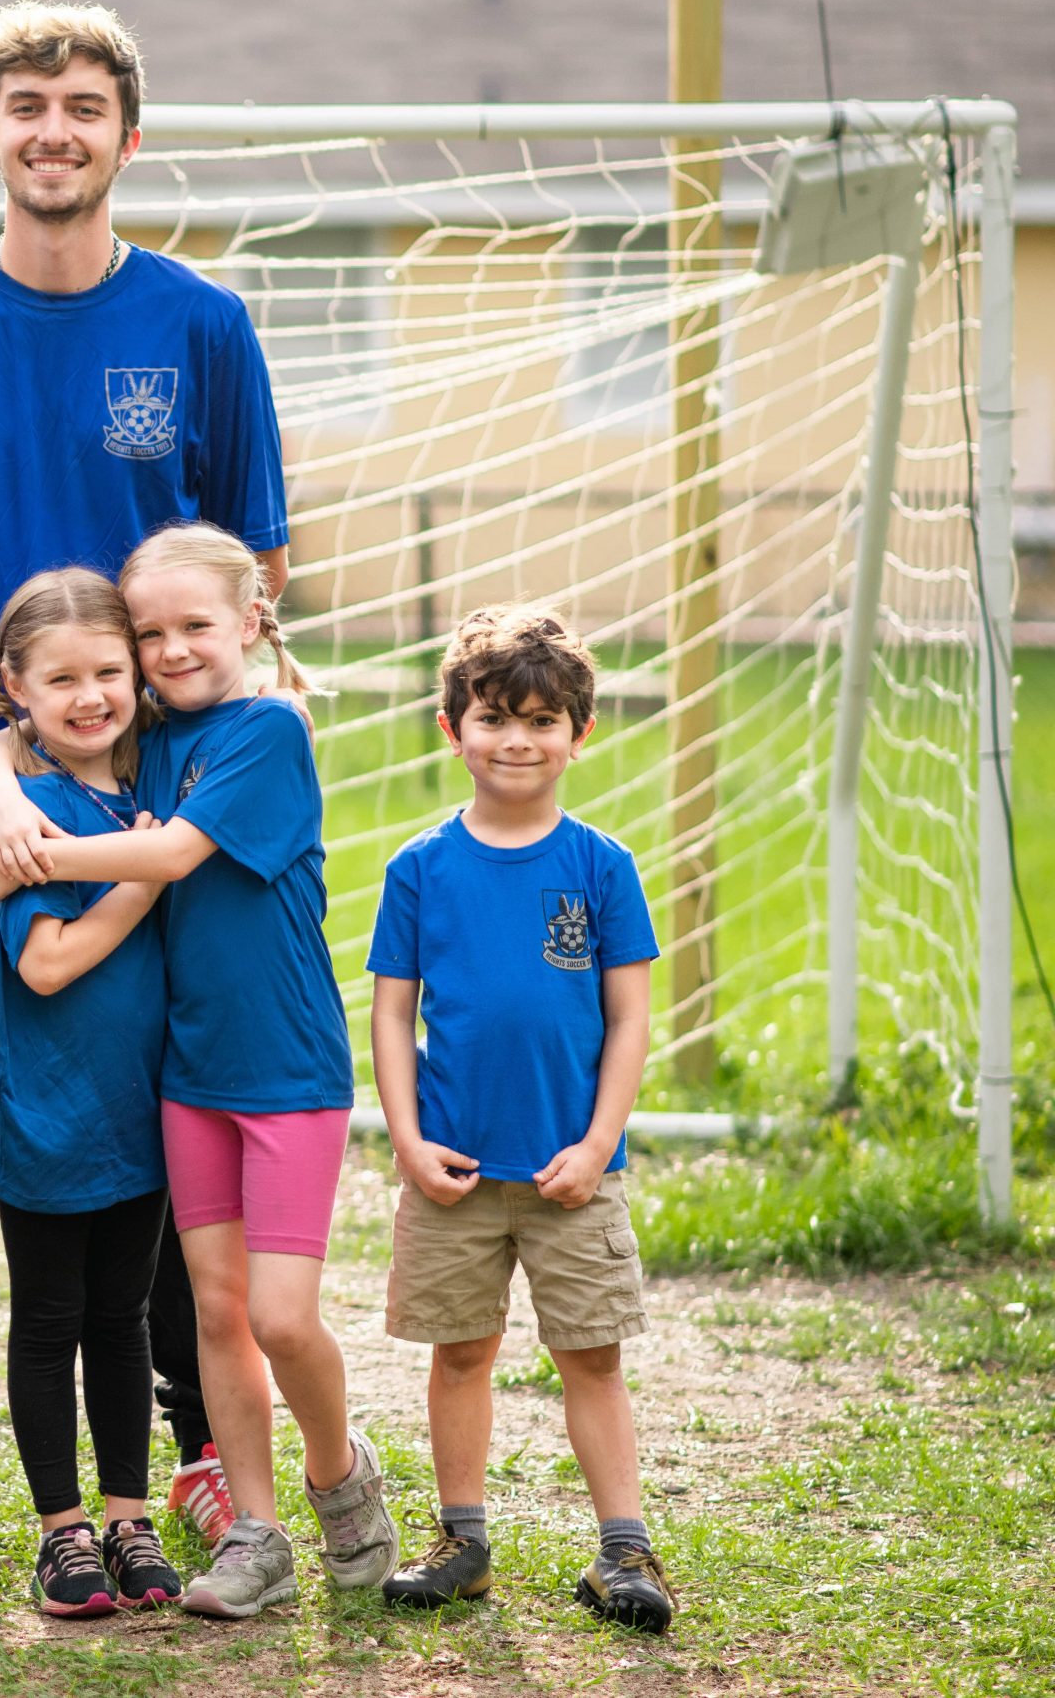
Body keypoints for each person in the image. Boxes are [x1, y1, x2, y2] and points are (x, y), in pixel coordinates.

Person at [0, 0, 286, 1543]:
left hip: (157, 810)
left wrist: (177, 751)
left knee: (166, 1111)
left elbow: (252, 559)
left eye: (83, 105)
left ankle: (188, 1447)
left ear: (128, 137)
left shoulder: (204, 327)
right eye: (26, 103)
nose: (54, 129)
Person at [0, 523, 394, 1617]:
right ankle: (252, 1535)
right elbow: (14, 742)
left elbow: (164, 855)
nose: (166, 651)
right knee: (213, 1314)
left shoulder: (263, 733)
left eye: (192, 626)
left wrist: (10, 856)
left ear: (251, 621)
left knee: (282, 1316)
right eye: (147, 632)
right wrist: (6, 802)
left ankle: (337, 1470)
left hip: (287, 1067)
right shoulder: (145, 741)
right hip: (185, 1075)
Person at [369, 605, 674, 1632]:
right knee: (460, 1352)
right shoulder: (418, 869)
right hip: (454, 1168)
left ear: (578, 736)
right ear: (450, 727)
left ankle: (624, 1552)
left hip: (570, 1171)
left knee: (591, 1355)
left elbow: (629, 1018)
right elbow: (391, 1011)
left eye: (542, 721)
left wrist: (596, 1145)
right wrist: (405, 1141)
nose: (517, 740)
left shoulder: (600, 867)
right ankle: (462, 1540)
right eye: (494, 717)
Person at [0, 569, 182, 1618]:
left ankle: (129, 1516)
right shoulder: (31, 816)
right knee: (50, 1320)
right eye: (62, 678)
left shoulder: (145, 782)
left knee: (125, 1316)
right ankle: (62, 1534)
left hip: (140, 1110)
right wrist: (147, 872)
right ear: (15, 687)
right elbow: (45, 965)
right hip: (47, 1112)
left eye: (109, 671)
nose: (90, 695)